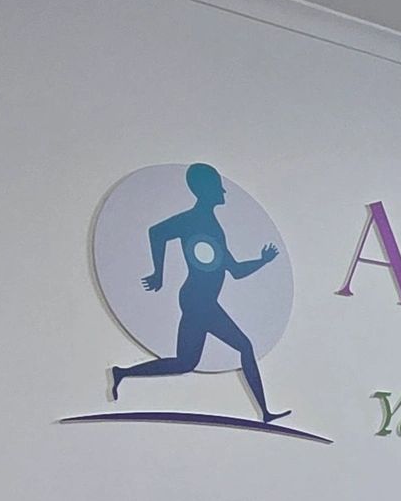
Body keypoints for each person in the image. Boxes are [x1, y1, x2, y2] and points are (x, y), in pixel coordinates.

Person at [111, 163, 288, 421]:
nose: (224, 192)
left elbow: (235, 270)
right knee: (244, 346)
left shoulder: (213, 227)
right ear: (205, 190)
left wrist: (263, 260)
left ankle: (122, 373)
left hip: (202, 301)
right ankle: (265, 413)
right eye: (218, 186)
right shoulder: (193, 220)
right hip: (198, 301)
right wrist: (158, 273)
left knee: (186, 362)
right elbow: (156, 232)